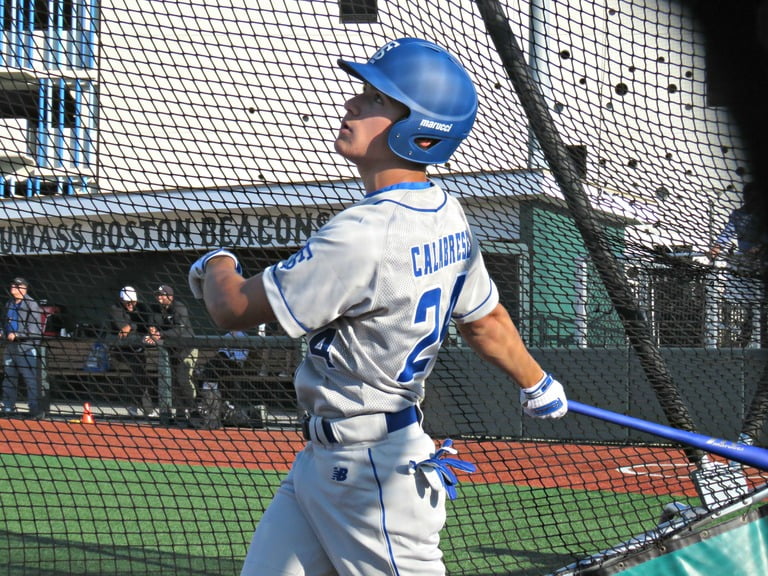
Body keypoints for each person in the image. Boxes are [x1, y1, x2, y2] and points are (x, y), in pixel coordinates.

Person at [189, 38, 568, 576]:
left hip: (374, 475)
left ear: (419, 127)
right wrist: (536, 382)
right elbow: (486, 321)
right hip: (330, 463)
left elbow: (230, 310)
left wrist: (213, 262)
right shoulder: (447, 215)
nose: (352, 105)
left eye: (374, 99)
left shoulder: (362, 233)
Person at [707, 182, 767, 347]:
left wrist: (758, 248)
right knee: (747, 302)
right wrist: (716, 248)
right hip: (746, 263)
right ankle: (745, 333)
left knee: (760, 302)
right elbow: (727, 233)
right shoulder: (739, 215)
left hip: (762, 260)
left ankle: (759, 334)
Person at [151, 284, 198, 425]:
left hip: (187, 348)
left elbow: (180, 331)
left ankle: (195, 409)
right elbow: (151, 323)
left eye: (162, 295)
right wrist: (151, 329)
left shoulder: (179, 307)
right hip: (172, 350)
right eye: (157, 295)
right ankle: (180, 414)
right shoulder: (157, 310)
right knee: (174, 382)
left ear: (170, 297)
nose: (159, 297)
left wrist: (160, 334)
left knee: (183, 378)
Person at [109, 286, 157, 417]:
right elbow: (122, 329)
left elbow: (147, 320)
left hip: (138, 349)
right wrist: (133, 326)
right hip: (120, 350)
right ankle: (136, 406)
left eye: (133, 302)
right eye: (127, 302)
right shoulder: (116, 308)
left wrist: (147, 327)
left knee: (141, 373)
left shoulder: (141, 307)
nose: (130, 304)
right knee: (138, 371)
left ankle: (143, 408)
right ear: (121, 300)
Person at [1, 277, 44, 418]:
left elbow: (35, 330)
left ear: (24, 288)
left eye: (17, 285)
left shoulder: (31, 304)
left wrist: (18, 334)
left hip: (26, 347)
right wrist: (3, 332)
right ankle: (8, 408)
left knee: (30, 379)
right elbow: (6, 323)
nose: (13, 287)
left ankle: (34, 409)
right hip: (10, 347)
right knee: (9, 377)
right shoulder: (10, 303)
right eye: (13, 284)